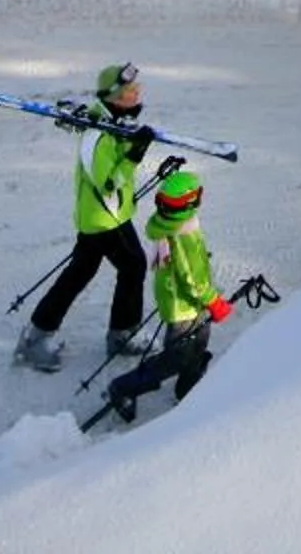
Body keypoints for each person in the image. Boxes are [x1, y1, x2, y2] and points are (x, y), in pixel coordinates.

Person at [14, 62, 155, 373]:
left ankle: (37, 336)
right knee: (133, 265)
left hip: (108, 214)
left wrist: (129, 137)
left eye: (138, 89)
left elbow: (95, 115)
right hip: (104, 218)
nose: (138, 94)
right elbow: (108, 183)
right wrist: (135, 154)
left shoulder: (110, 120)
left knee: (81, 272)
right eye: (132, 91)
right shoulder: (97, 138)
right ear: (116, 97)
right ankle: (121, 333)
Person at [100, 167, 232, 425]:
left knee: (199, 340)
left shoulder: (170, 226)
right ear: (191, 201)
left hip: (182, 301)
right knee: (175, 357)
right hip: (183, 305)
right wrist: (214, 302)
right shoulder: (184, 235)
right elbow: (193, 280)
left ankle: (189, 387)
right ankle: (125, 387)